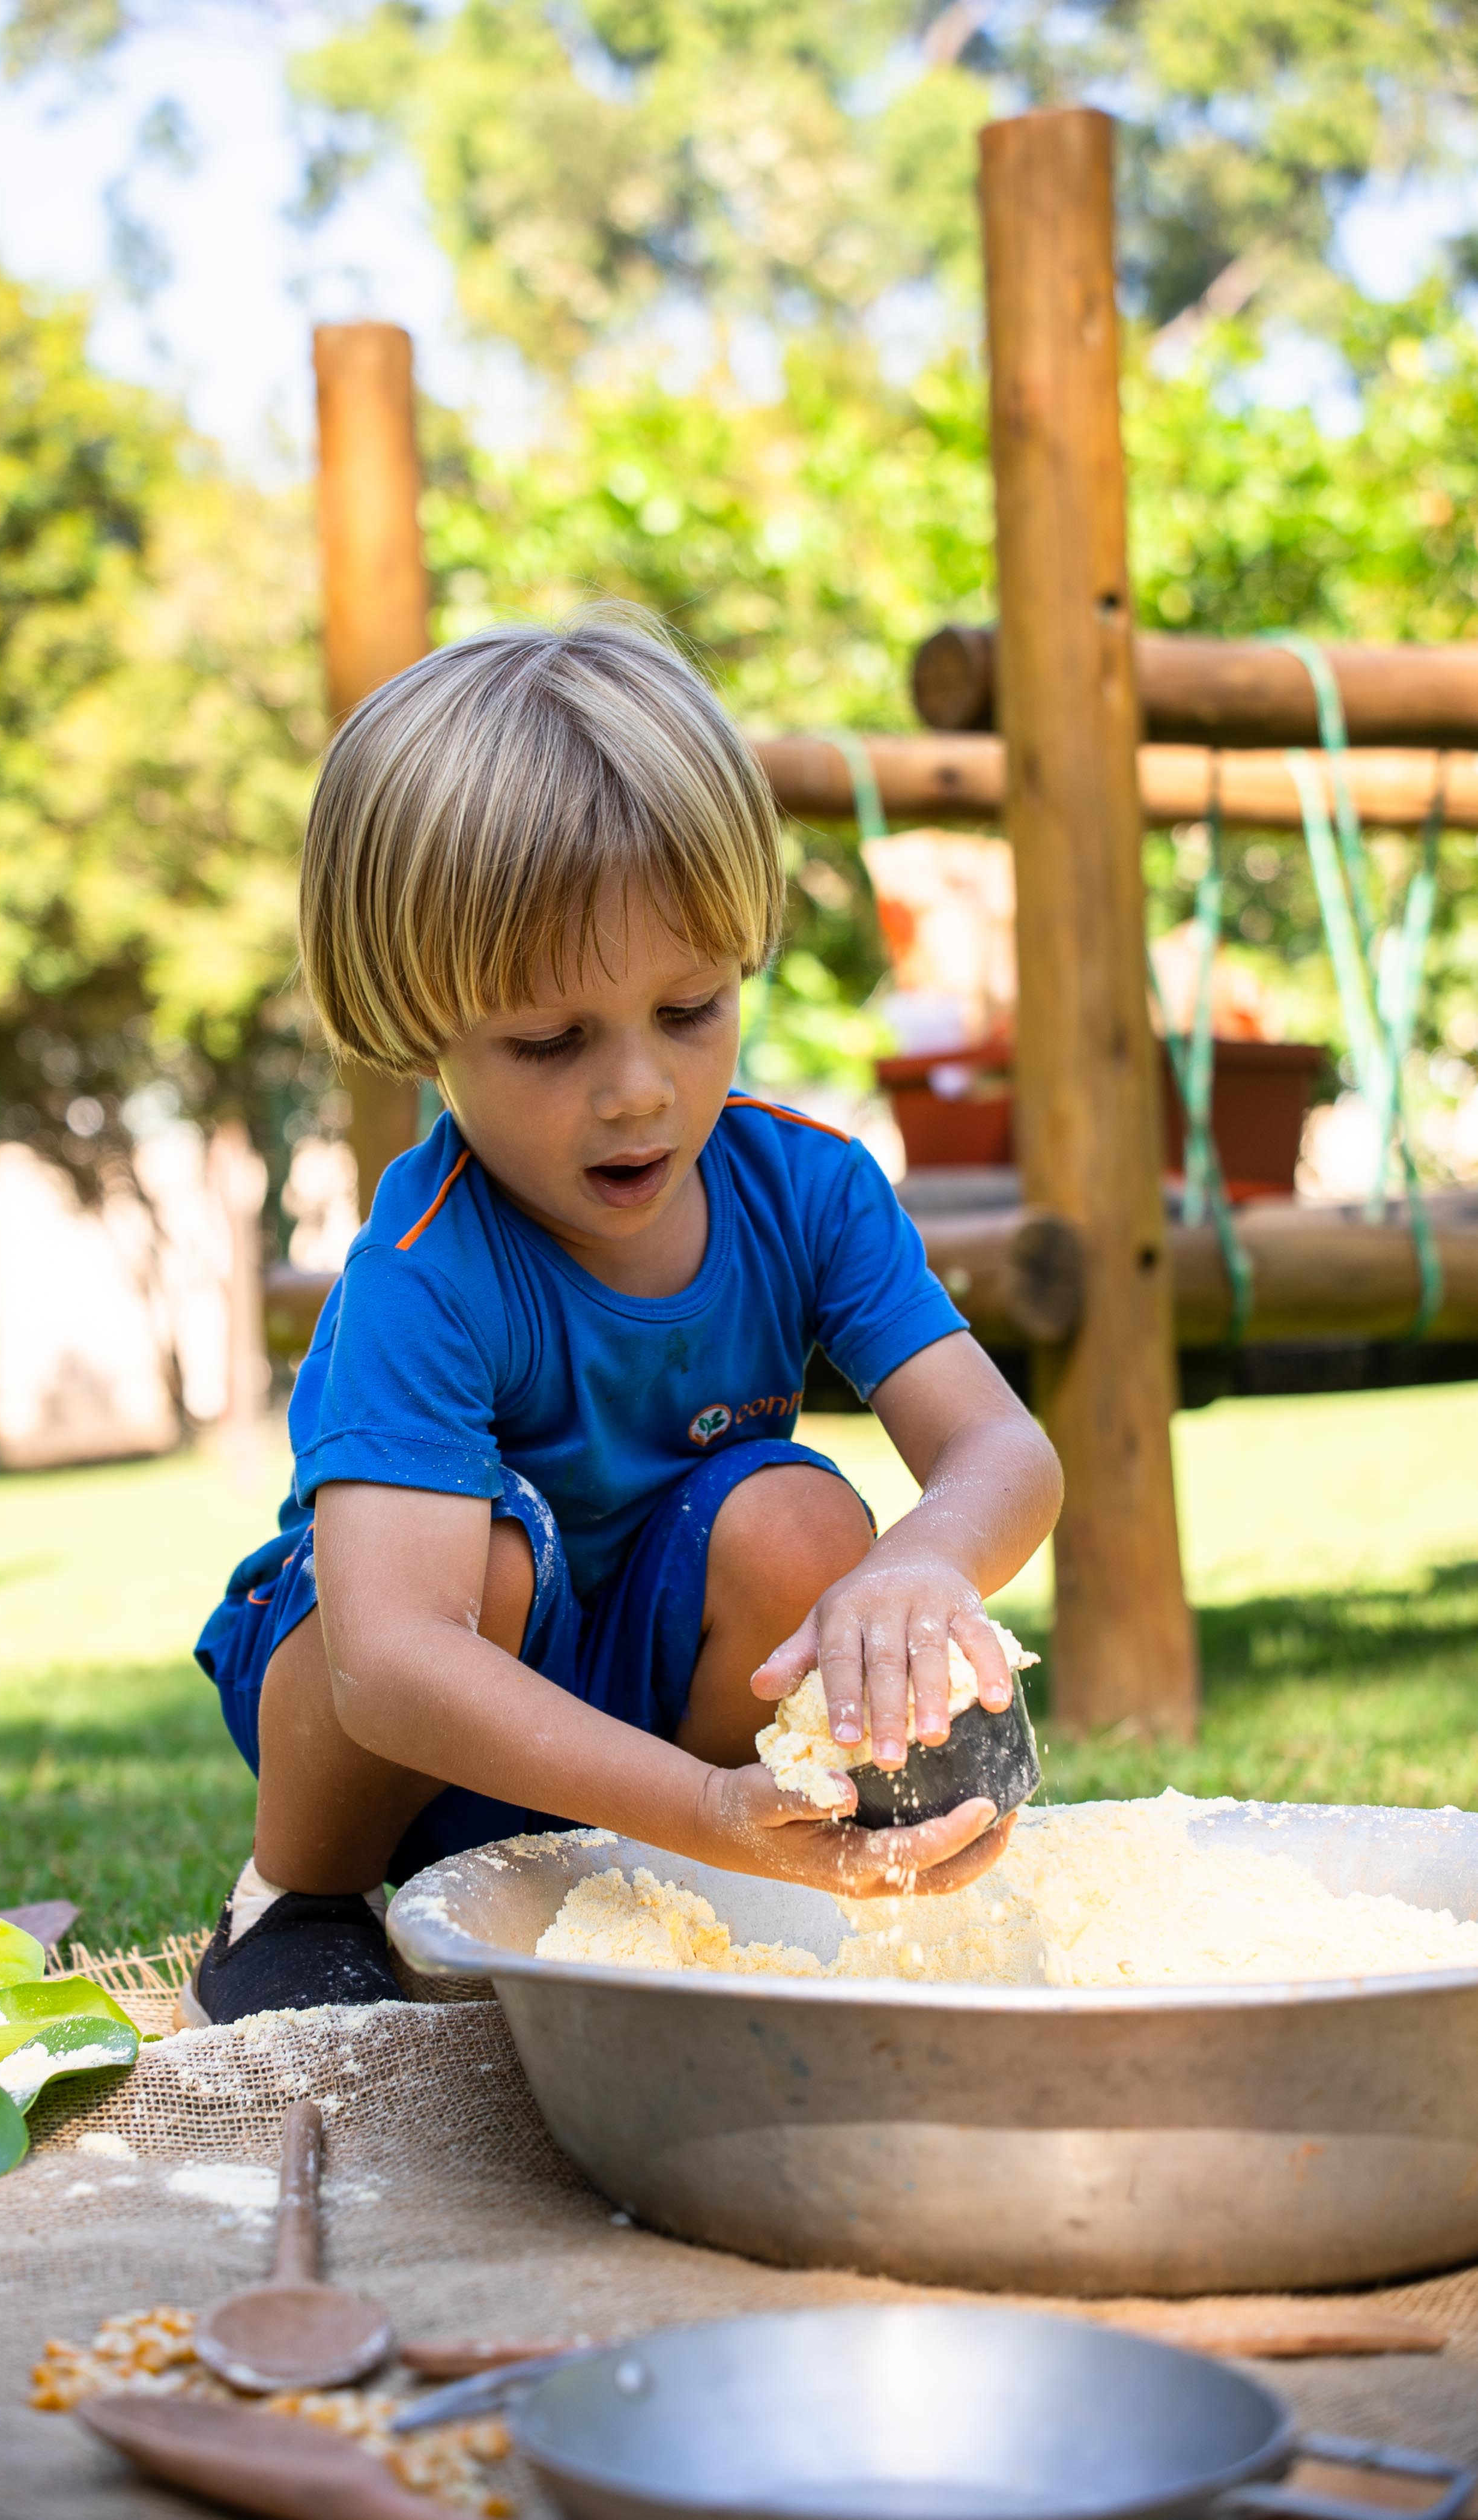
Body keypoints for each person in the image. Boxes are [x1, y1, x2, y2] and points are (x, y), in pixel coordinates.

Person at [189, 612, 1062, 2022]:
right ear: (425, 1024)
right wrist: (710, 1801)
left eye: (691, 1006)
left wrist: (925, 1566)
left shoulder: (809, 1191)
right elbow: (395, 1662)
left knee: (803, 1522)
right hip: (388, 1712)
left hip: (647, 1696)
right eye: (551, 1041)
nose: (640, 1089)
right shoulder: (427, 1268)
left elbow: (1003, 1455)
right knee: (491, 1558)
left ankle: (654, 1865)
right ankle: (291, 1904)